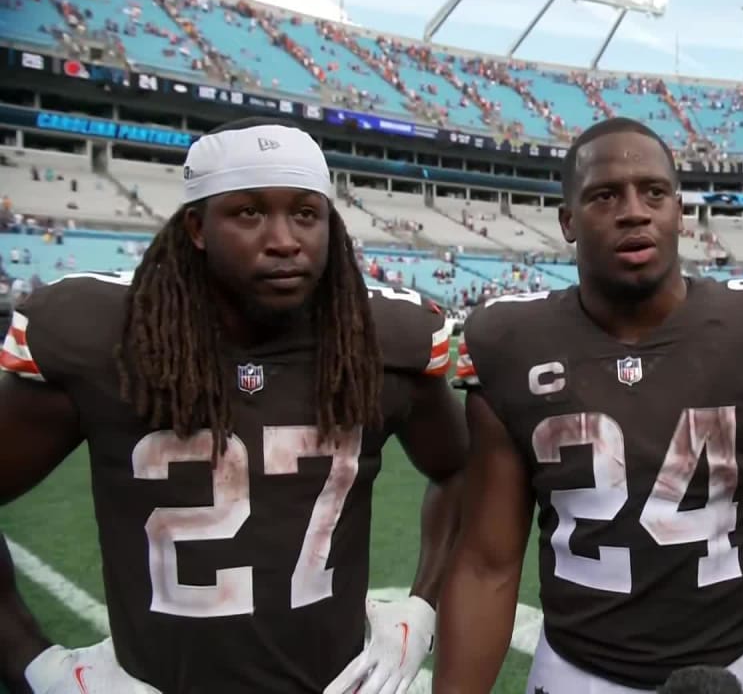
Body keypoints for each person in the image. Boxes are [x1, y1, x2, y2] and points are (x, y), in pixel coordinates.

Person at [0, 118, 467, 694]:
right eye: (249, 212)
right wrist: (33, 660)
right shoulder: (103, 337)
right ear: (196, 226)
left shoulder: (381, 342)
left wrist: (422, 608)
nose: (283, 239)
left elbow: (462, 469)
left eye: (305, 213)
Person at [432, 117, 743, 694]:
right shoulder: (507, 342)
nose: (634, 211)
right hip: (575, 670)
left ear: (679, 212)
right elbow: (487, 563)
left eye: (654, 193)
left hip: (740, 662)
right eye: (604, 195)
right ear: (568, 221)